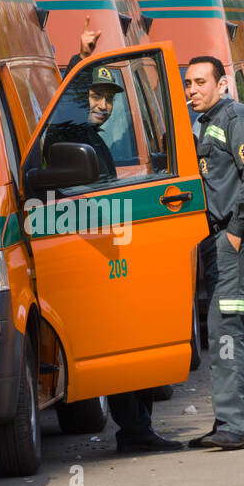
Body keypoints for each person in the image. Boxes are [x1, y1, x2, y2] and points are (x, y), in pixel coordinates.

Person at [60, 25, 180, 452]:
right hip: (93, 250)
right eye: (95, 96)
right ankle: (135, 430)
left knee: (135, 337)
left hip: (109, 246)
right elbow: (65, 113)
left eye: (109, 99)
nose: (103, 105)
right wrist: (80, 61)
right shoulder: (73, 135)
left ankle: (139, 428)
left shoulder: (91, 141)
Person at [184, 55, 244, 451]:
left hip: (243, 237)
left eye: (201, 82)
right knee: (238, 331)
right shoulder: (207, 122)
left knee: (226, 328)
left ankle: (234, 425)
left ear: (222, 84)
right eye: (188, 83)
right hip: (229, 239)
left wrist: (236, 232)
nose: (193, 91)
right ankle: (235, 421)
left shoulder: (236, 118)